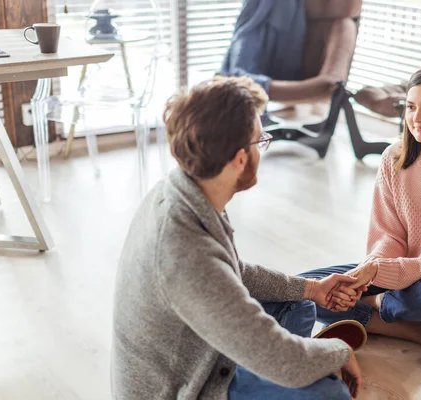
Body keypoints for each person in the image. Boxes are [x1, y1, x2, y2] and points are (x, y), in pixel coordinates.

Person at [111, 76, 365, 400]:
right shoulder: (185, 252)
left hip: (203, 353)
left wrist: (312, 288)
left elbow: (233, 274)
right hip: (188, 387)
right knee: (329, 394)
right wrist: (338, 352)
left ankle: (277, 367)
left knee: (297, 305)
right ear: (239, 158)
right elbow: (285, 362)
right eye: (261, 141)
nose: (263, 148)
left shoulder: (186, 190)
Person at [299, 64, 421, 378]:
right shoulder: (394, 158)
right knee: (303, 286)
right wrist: (373, 269)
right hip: (391, 273)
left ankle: (377, 306)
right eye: (410, 107)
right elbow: (386, 235)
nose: (417, 118)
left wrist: (372, 285)